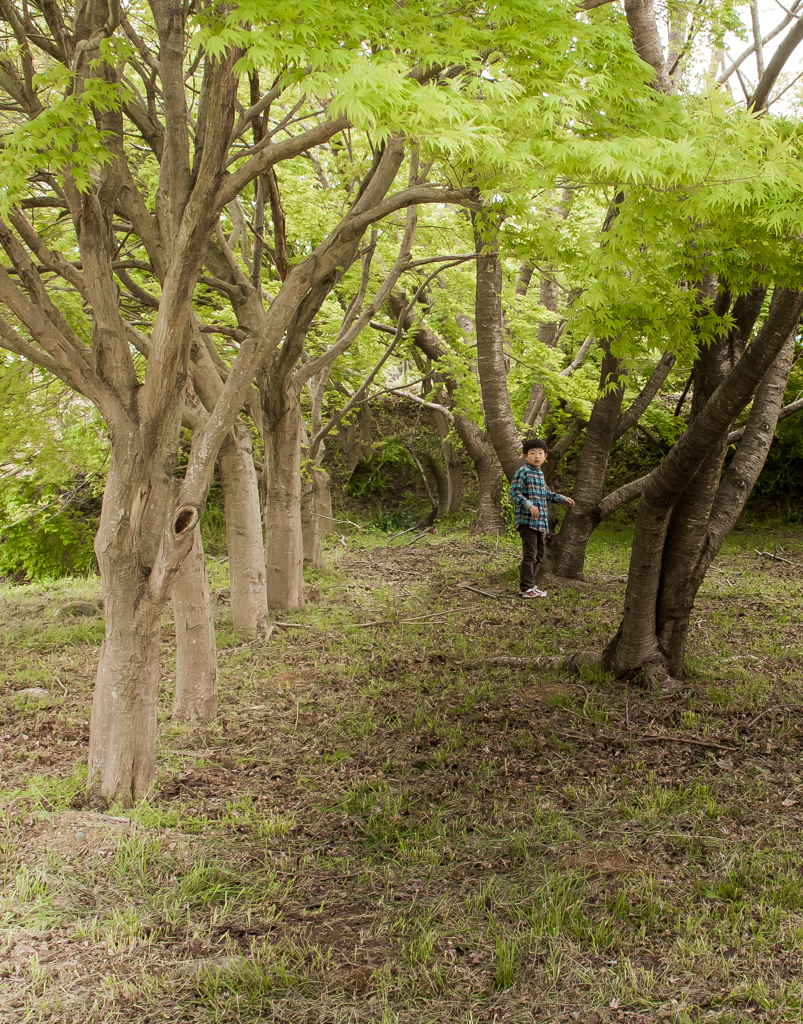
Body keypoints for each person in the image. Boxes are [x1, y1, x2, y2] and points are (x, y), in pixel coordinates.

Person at [509, 438, 575, 598]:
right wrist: (528, 505)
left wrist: (561, 498)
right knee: (530, 554)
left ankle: (531, 585)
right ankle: (524, 588)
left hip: (540, 523)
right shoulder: (522, 472)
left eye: (540, 453)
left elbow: (545, 494)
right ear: (525, 456)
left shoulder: (539, 474)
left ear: (545, 456)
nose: (536, 456)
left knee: (539, 555)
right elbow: (514, 493)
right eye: (532, 453)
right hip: (527, 521)